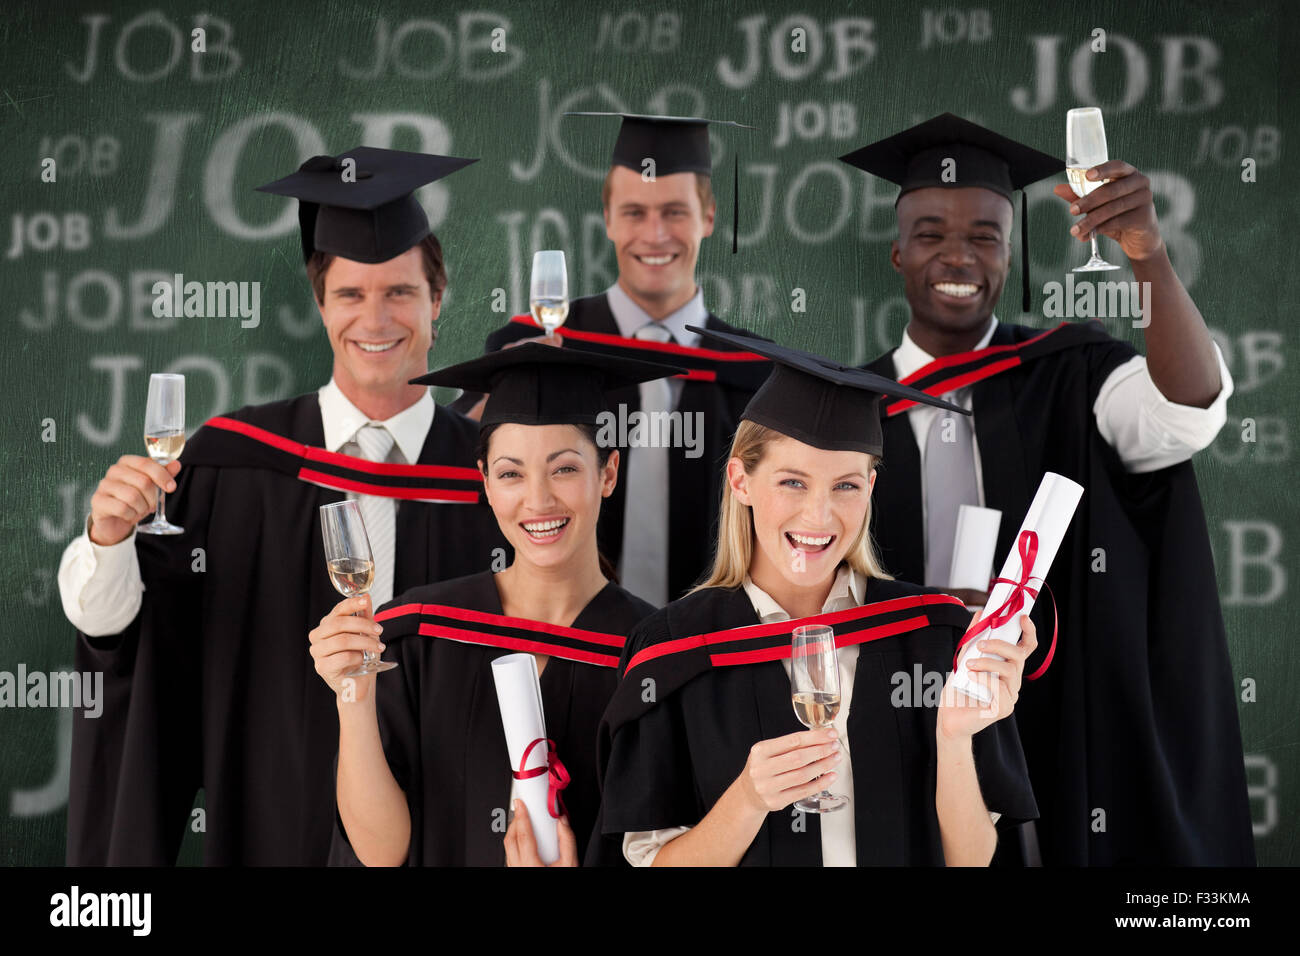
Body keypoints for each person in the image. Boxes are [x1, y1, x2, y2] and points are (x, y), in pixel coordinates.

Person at [57, 147, 506, 865]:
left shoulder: (497, 474)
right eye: (351, 294)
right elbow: (130, 643)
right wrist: (108, 542)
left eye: (399, 292)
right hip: (272, 823)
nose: (376, 318)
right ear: (321, 304)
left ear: (437, 299)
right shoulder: (238, 462)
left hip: (454, 829)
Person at [839, 113, 1253, 865]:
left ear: (1012, 257)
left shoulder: (1073, 370)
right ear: (898, 253)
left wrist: (1149, 257)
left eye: (986, 237)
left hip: (1050, 706)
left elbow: (1187, 414)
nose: (957, 255)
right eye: (930, 234)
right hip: (889, 712)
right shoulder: (842, 403)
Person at [598, 329, 1039, 866]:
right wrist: (748, 799)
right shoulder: (672, 649)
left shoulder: (931, 636)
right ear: (740, 480)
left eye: (845, 486)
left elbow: (970, 860)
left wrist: (951, 737)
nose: (819, 516)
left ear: (871, 489)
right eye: (792, 482)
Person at [312, 345, 676, 865]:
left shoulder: (656, 654)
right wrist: (354, 696)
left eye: (565, 469)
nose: (539, 500)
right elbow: (380, 853)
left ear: (610, 473)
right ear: (484, 482)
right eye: (510, 474)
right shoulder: (418, 635)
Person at [454, 113, 771, 606]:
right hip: (563, 638)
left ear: (708, 217)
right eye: (634, 212)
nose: (655, 234)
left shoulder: (755, 372)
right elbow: (452, 467)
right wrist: (500, 393)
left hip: (709, 645)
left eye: (674, 212)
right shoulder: (533, 346)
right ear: (607, 219)